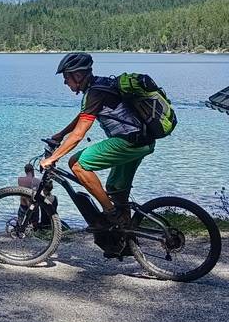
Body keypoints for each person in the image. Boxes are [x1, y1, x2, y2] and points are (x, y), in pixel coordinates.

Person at [39, 52, 154, 231]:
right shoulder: (100, 85)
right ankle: (125, 234)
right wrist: (60, 134)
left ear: (78, 75)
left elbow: (78, 135)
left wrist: (53, 158)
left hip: (128, 142)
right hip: (142, 140)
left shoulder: (94, 92)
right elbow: (84, 116)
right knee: (115, 188)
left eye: (66, 77)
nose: (65, 82)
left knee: (77, 164)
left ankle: (110, 213)